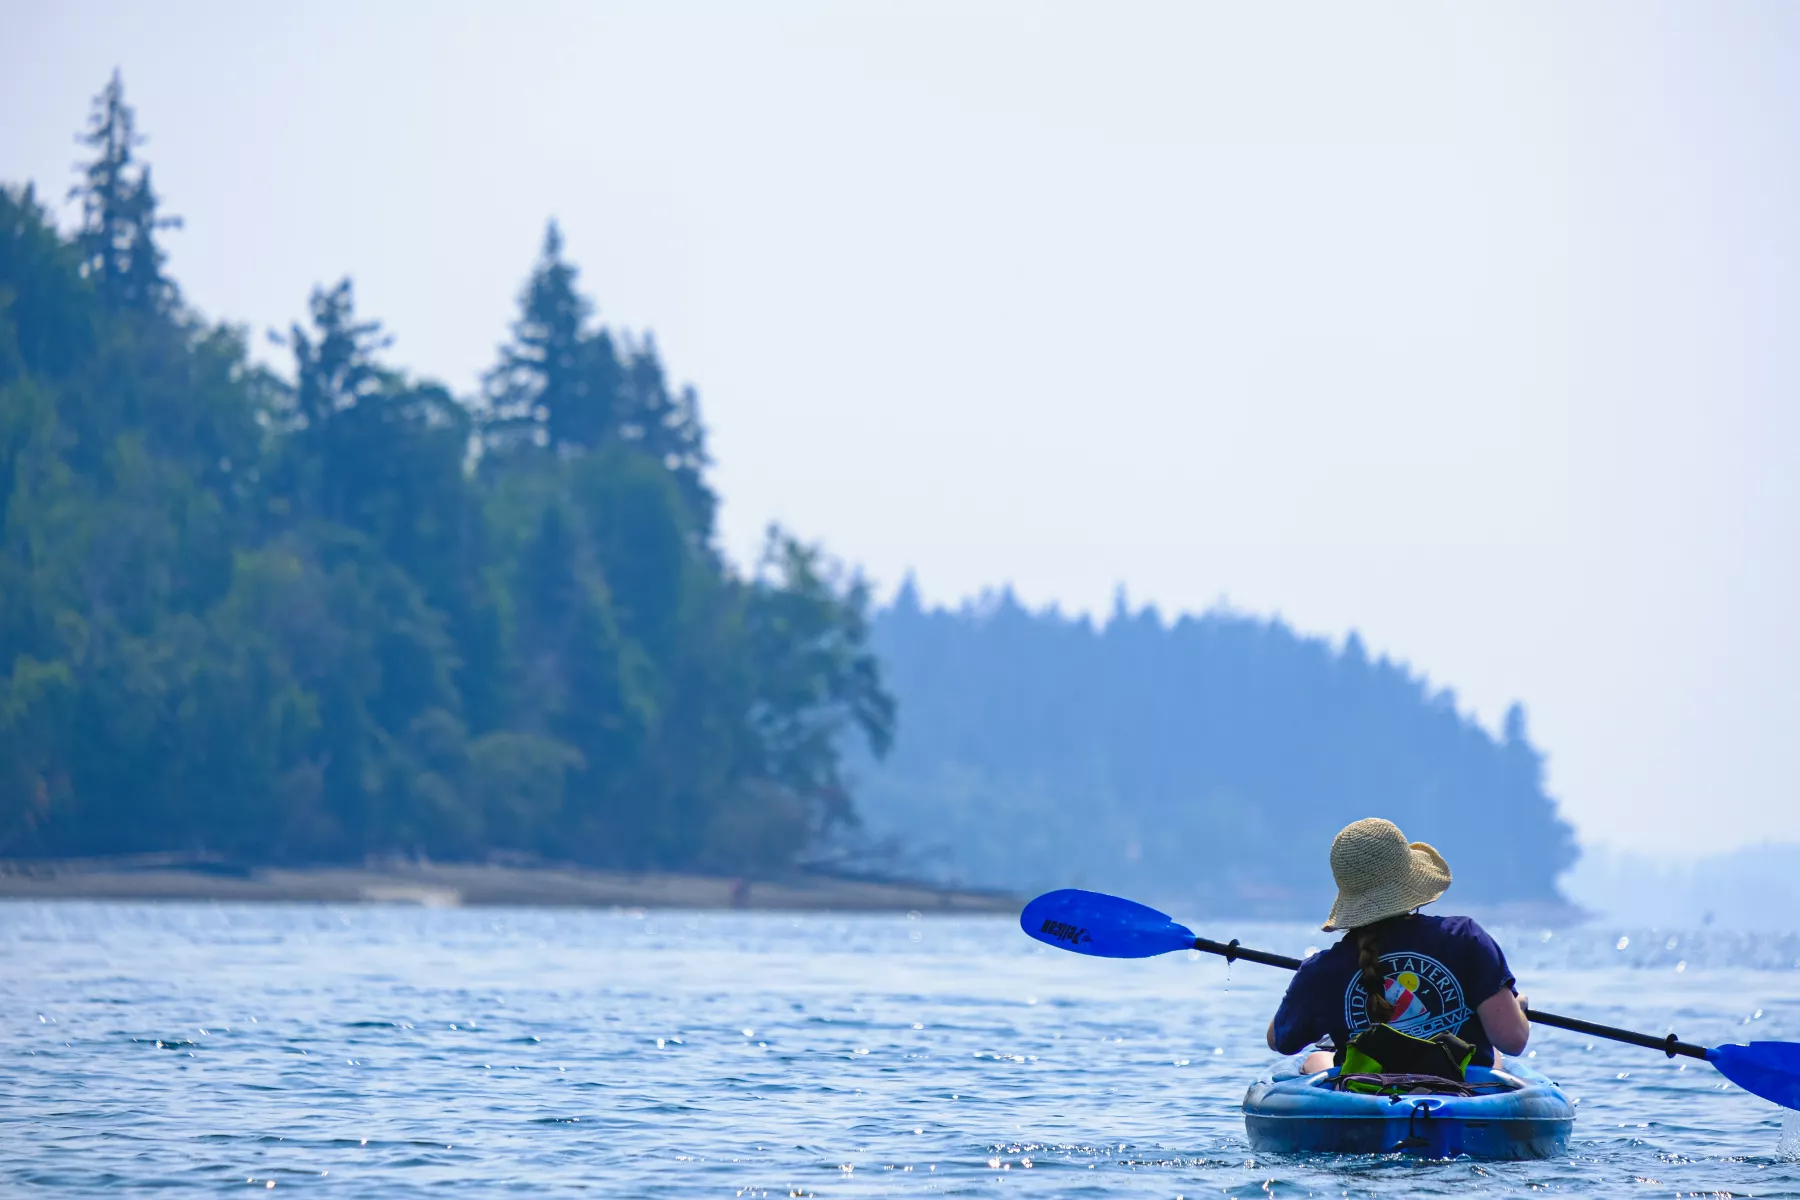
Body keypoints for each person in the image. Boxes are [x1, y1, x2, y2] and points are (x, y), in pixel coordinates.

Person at [1266, 817, 1530, 1075]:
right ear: (1410, 881)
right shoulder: (1465, 937)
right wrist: (1517, 1007)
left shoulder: (1322, 970)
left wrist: (1305, 992)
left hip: (1366, 1090)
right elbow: (1512, 1040)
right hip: (1462, 1091)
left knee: (1316, 1059)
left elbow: (1279, 1041)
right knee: (1495, 1057)